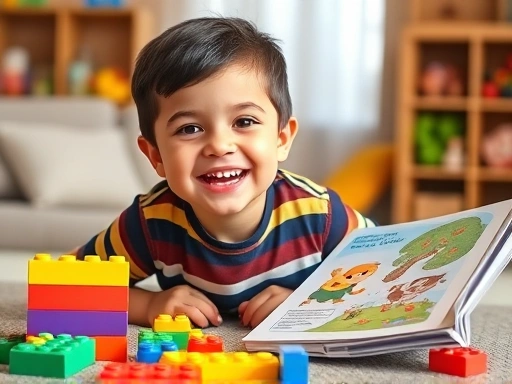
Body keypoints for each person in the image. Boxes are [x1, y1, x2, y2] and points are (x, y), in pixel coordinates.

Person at [72, 16, 376, 329]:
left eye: (244, 122)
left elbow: (391, 274)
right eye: (189, 128)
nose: (219, 146)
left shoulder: (321, 215)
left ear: (281, 139)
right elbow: (68, 284)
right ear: (156, 156)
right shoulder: (150, 223)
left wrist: (306, 302)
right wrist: (149, 304)